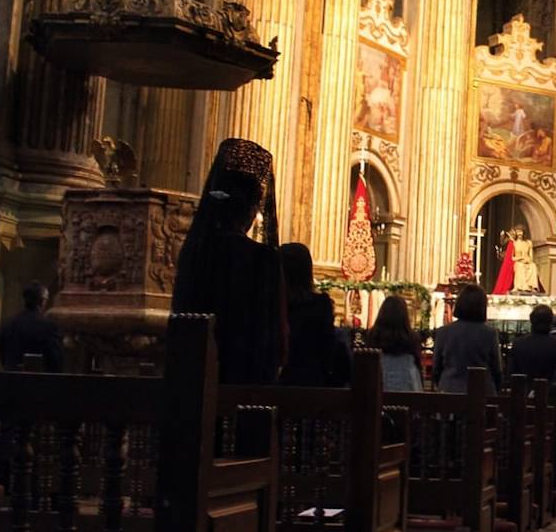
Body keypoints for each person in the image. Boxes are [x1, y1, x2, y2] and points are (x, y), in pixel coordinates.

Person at [173, 137, 286, 384]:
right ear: (254, 207)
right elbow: (277, 345)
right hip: (243, 390)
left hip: (190, 384)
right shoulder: (262, 258)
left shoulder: (194, 251)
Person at [279, 243, 351, 387]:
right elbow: (328, 350)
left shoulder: (272, 303)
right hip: (312, 383)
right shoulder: (320, 305)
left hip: (276, 382)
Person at [432, 284, 502, 394]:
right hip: (481, 392)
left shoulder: (444, 332)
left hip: (450, 391)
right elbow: (496, 369)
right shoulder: (490, 334)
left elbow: (436, 368)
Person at [0, 282, 63, 372]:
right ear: (43, 301)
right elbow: (55, 360)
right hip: (38, 381)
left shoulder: (8, 323)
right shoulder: (49, 326)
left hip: (10, 380)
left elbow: (3, 355)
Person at [366, 295, 424, 391]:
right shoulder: (410, 337)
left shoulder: (374, 335)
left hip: (379, 382)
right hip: (406, 380)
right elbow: (417, 364)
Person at [508, 304, 556, 381]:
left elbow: (512, 373)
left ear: (531, 320)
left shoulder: (518, 344)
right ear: (551, 322)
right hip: (550, 391)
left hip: (524, 390)